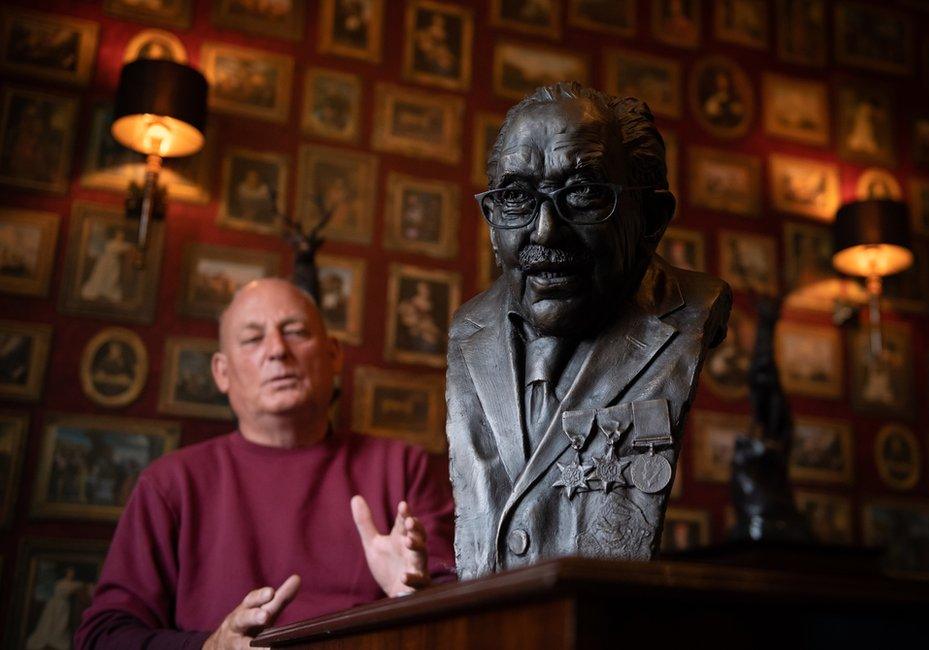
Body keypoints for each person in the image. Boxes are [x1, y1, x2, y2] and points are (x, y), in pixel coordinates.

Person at [448, 83, 730, 578]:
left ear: (651, 218)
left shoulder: (688, 312)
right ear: (491, 221)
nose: (544, 231)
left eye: (583, 194)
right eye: (515, 197)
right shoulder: (467, 331)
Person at [76, 278, 455, 648]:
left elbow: (464, 614)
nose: (276, 350)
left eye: (294, 331)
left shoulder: (403, 468)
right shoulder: (170, 484)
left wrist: (413, 594)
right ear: (221, 373)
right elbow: (102, 636)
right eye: (253, 338)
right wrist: (212, 646)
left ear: (333, 354)